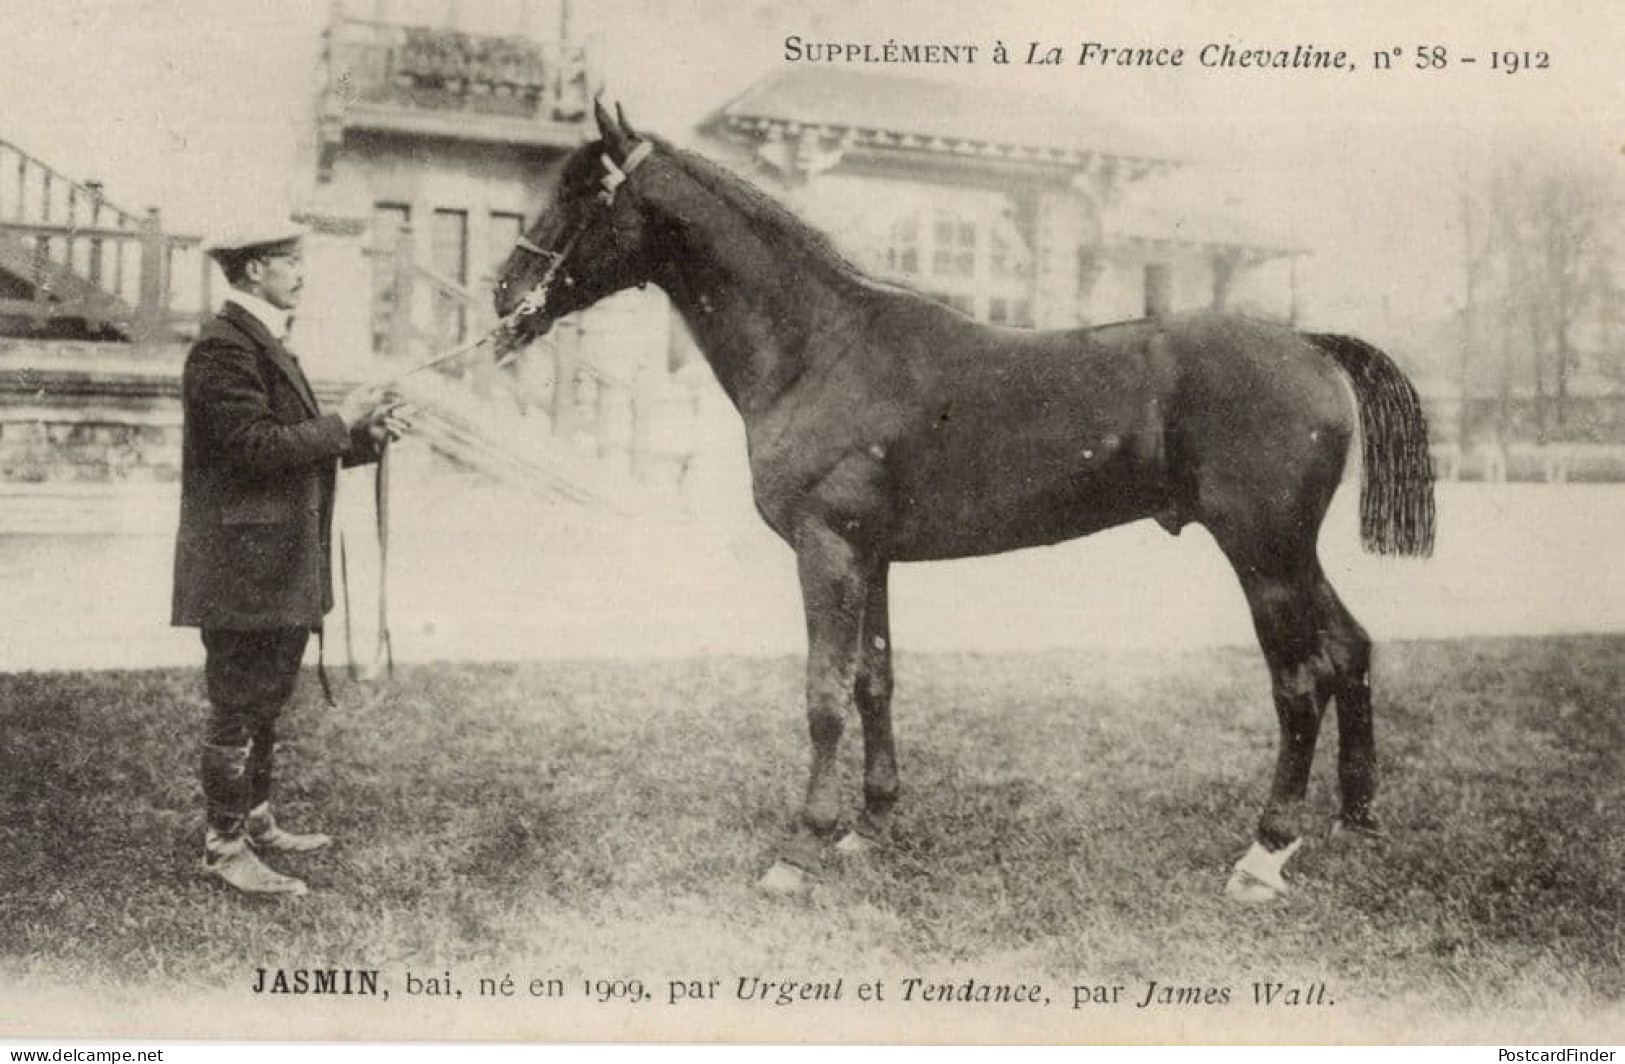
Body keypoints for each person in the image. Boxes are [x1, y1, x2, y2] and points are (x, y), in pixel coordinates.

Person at [172, 223, 407, 896]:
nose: (301, 271)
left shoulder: (261, 342)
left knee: (265, 702)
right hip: (244, 565)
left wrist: (364, 439)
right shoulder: (223, 350)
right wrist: (342, 422)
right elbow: (248, 449)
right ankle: (224, 847)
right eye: (288, 261)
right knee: (239, 705)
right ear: (251, 272)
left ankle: (255, 819)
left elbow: (285, 446)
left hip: (272, 560)